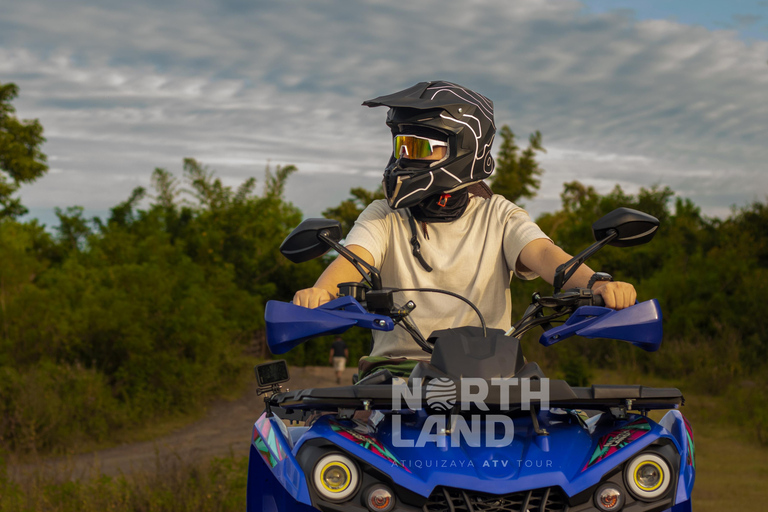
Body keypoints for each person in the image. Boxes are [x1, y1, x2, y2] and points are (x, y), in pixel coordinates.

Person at [294, 81, 636, 373]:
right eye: (401, 145)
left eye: (419, 147)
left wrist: (597, 283)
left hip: (491, 379)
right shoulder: (384, 216)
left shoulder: (499, 215)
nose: (403, 158)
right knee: (342, 443)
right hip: (395, 379)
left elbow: (545, 254)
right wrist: (322, 292)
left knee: (562, 433)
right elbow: (352, 261)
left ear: (463, 148)